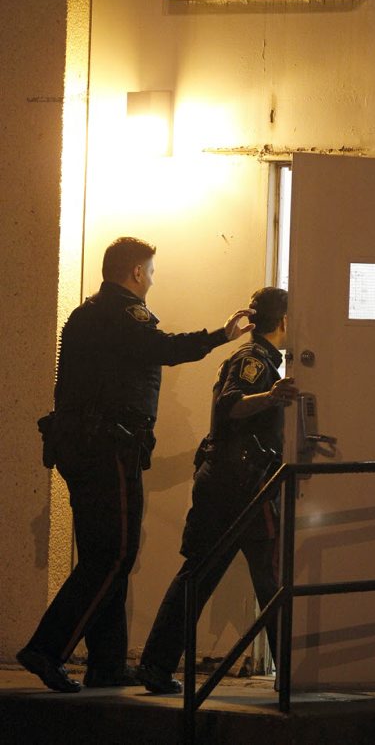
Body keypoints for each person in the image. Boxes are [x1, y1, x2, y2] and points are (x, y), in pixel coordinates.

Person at [16, 236, 255, 693]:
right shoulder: (125, 313)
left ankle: (106, 665)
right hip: (109, 449)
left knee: (105, 555)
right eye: (151, 270)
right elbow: (162, 349)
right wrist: (220, 336)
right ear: (137, 273)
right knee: (115, 555)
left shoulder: (87, 313)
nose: (153, 278)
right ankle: (46, 648)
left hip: (81, 447)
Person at [138, 286, 298, 694]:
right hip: (241, 488)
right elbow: (230, 405)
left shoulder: (259, 358)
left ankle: (155, 667)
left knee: (205, 576)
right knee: (266, 577)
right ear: (283, 322)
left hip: (226, 484)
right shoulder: (253, 359)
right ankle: (291, 675)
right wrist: (272, 396)